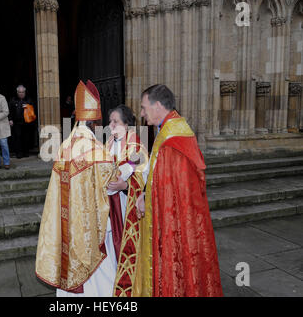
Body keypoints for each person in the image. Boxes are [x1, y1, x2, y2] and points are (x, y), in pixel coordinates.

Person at [134, 84, 223, 297]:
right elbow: (161, 180)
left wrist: (147, 197)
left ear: (157, 106)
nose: (142, 113)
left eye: (144, 107)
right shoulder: (169, 130)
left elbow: (173, 192)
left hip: (176, 220)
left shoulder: (173, 142)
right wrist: (146, 194)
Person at [36, 80, 117, 297]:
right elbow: (110, 187)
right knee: (102, 274)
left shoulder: (64, 146)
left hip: (67, 226)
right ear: (94, 123)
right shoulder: (97, 151)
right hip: (90, 227)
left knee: (69, 267)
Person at [106, 105, 149, 297]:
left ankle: (129, 285)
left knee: (125, 244)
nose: (111, 124)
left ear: (126, 124)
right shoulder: (106, 143)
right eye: (110, 121)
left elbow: (144, 176)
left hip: (126, 205)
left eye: (115, 121)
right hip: (108, 206)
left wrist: (124, 187)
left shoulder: (137, 146)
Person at [8, 85, 33, 158]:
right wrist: (10, 119)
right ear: (17, 92)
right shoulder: (13, 100)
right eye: (19, 92)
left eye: (22, 92)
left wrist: (28, 106)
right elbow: (9, 111)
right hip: (16, 123)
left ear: (25, 92)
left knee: (26, 138)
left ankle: (26, 152)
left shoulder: (29, 99)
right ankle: (18, 153)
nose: (21, 93)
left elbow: (34, 110)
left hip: (26, 122)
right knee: (17, 138)